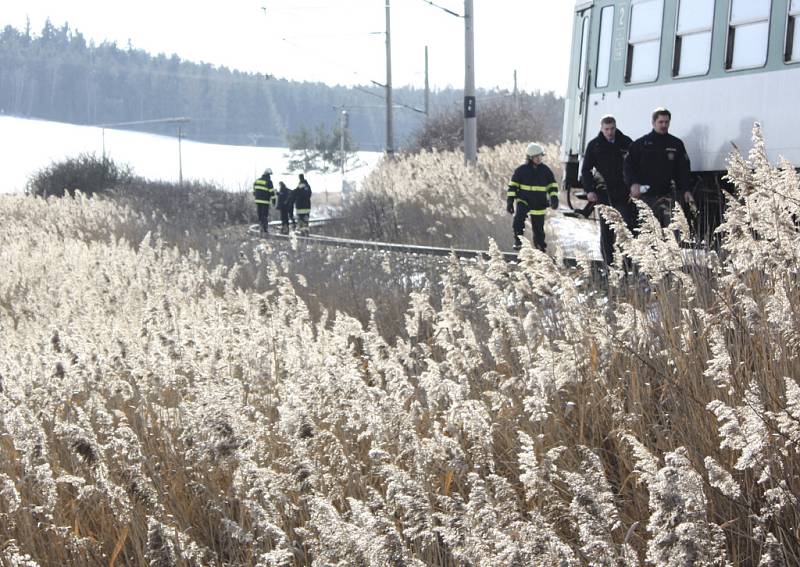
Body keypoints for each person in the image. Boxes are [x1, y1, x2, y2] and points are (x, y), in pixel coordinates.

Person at [624, 107, 694, 229]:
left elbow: (683, 170)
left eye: (666, 122)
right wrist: (633, 184)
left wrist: (686, 189)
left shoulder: (676, 144)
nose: (664, 125)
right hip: (647, 196)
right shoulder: (641, 144)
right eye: (660, 122)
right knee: (650, 233)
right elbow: (628, 166)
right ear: (653, 122)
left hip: (669, 195)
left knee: (673, 232)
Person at [581, 115, 634, 265]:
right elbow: (586, 170)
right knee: (606, 230)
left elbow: (636, 165)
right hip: (604, 193)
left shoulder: (626, 142)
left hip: (624, 193)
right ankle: (608, 264)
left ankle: (627, 263)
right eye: (606, 129)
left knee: (625, 228)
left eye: (612, 129)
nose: (610, 132)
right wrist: (589, 190)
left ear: (615, 127)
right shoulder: (594, 145)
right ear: (601, 128)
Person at [507, 143, 559, 251]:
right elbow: (512, 187)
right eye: (537, 156)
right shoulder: (521, 170)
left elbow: (552, 186)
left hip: (539, 203)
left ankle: (540, 249)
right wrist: (510, 202)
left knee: (538, 228)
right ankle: (518, 241)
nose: (539, 158)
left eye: (541, 156)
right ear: (530, 157)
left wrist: (554, 198)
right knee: (518, 220)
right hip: (524, 200)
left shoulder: (546, 170)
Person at [253, 168, 276, 234]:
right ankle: (265, 229)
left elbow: (254, 191)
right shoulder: (269, 181)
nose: (270, 176)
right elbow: (272, 192)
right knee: (264, 215)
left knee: (260, 214)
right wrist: (274, 201)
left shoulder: (257, 181)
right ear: (268, 175)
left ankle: (261, 227)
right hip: (265, 201)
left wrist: (257, 196)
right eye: (270, 175)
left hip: (258, 201)